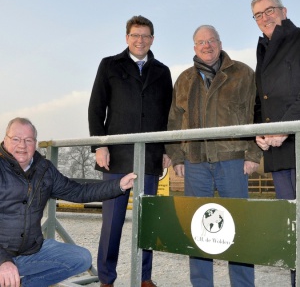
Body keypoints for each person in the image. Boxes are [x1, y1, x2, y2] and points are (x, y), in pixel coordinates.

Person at [165, 25, 261, 287]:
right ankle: (201, 284)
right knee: (198, 230)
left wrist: (253, 153)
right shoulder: (184, 79)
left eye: (211, 41)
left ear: (220, 42)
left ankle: (243, 284)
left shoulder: (242, 73)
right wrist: (177, 156)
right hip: (195, 162)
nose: (206, 46)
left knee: (238, 228)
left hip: (233, 160)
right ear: (194, 47)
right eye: (200, 42)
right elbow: (173, 122)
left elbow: (258, 113)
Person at [0, 117, 137, 287]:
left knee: (81, 258)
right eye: (16, 139)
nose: (22, 145)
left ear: (35, 143)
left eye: (28, 140)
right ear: (5, 140)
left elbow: (78, 192)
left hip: (30, 250)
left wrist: (118, 185)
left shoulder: (44, 170)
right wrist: (3, 261)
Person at [88, 15, 173, 287]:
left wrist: (167, 148)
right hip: (116, 157)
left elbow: (168, 115)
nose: (140, 40)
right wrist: (100, 146)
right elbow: (96, 108)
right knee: (112, 223)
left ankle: (144, 276)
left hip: (149, 157)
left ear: (152, 39)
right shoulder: (109, 65)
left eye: (146, 35)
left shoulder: (162, 71)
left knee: (146, 222)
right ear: (127, 38)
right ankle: (106, 278)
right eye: (135, 35)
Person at [251, 0, 300, 286]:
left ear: (283, 10)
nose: (265, 18)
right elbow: (261, 99)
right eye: (258, 15)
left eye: (269, 11)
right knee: (291, 226)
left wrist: (285, 126)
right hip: (278, 151)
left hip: (296, 141)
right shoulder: (263, 48)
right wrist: (258, 128)